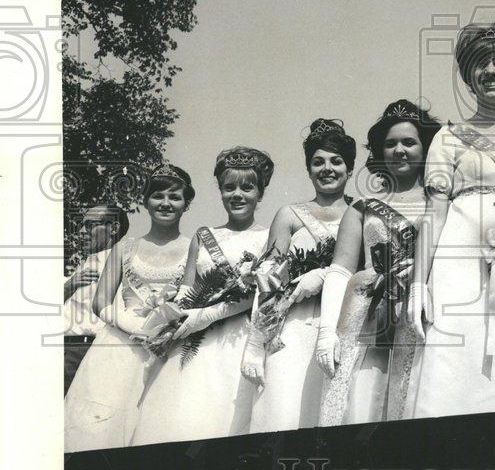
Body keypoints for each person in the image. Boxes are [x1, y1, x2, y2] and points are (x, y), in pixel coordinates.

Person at [405, 20, 495, 418]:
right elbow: (435, 212)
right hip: (457, 261)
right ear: (468, 76)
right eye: (480, 63)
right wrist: (419, 283)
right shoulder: (449, 137)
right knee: (454, 356)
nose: (490, 70)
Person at [131, 148, 272, 446]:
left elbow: (263, 293)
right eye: (229, 187)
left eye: (247, 187)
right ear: (220, 191)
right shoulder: (203, 235)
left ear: (260, 192)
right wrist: (171, 316)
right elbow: (187, 290)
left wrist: (205, 315)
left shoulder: (269, 236)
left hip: (240, 340)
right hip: (192, 342)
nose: (237, 195)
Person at [316, 100, 440, 426]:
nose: (399, 150)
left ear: (425, 148)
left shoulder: (440, 202)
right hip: (365, 317)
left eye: (409, 142)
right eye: (390, 143)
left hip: (421, 310)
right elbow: (341, 270)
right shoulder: (362, 207)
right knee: (358, 406)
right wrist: (327, 332)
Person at [64, 167, 193, 451]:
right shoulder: (124, 247)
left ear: (186, 204)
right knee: (104, 432)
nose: (166, 203)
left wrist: (166, 329)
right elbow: (100, 303)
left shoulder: (193, 248)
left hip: (171, 344)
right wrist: (135, 327)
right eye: (157, 196)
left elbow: (193, 297)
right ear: (146, 202)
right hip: (121, 344)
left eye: (175, 197)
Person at [240, 119, 356, 433]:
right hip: (294, 324)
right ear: (308, 169)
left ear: (350, 167)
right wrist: (255, 343)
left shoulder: (360, 213)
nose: (327, 168)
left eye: (336, 161)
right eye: (318, 162)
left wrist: (327, 273)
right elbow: (270, 282)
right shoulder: (289, 215)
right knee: (286, 414)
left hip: (343, 323)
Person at [62, 204, 128, 393]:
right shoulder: (81, 266)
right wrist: (70, 285)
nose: (82, 231)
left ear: (113, 229)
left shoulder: (121, 265)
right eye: (82, 225)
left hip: (88, 351)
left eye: (90, 225)